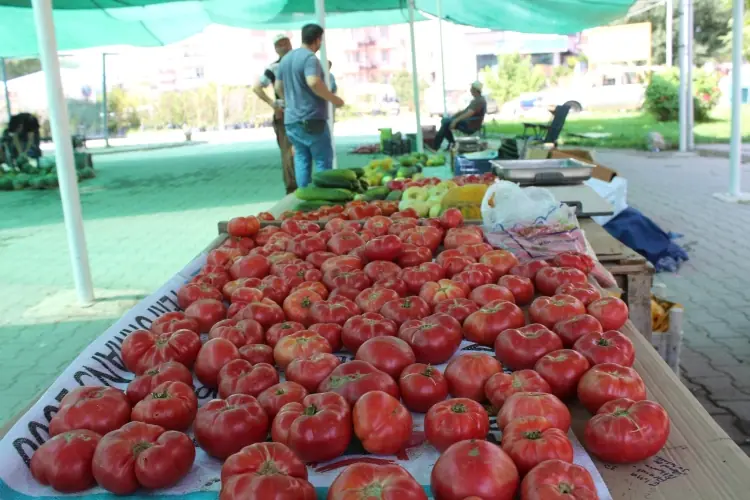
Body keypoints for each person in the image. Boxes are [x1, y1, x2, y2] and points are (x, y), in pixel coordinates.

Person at [275, 23, 344, 188]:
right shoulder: (309, 58)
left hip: (291, 120)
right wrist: (334, 99)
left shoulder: (286, 59)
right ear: (318, 39)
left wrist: (291, 102)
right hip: (311, 119)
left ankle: (304, 196)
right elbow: (313, 82)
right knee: (322, 159)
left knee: (301, 158)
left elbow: (278, 87)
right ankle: (323, 199)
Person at [253, 33, 296, 194]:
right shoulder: (273, 68)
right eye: (281, 44)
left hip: (303, 113)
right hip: (284, 114)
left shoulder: (301, 63)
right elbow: (257, 87)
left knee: (303, 152)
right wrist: (273, 104)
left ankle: (305, 184)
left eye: (287, 43)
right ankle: (292, 188)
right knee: (288, 152)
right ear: (276, 49)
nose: (285, 46)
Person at [433, 81, 487, 150]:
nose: (470, 90)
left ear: (475, 90)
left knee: (445, 123)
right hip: (468, 122)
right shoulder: (477, 100)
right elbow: (465, 111)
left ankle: (437, 146)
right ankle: (450, 143)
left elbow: (469, 113)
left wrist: (455, 120)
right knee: (445, 122)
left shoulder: (479, 101)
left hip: (470, 126)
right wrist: (453, 117)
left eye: (471, 88)